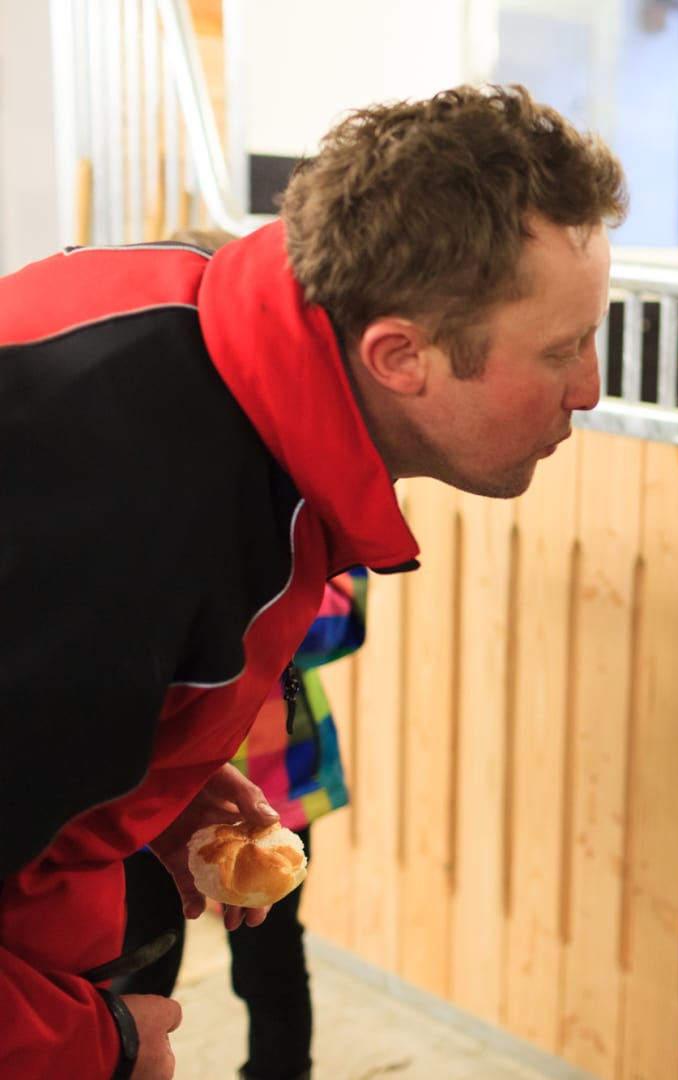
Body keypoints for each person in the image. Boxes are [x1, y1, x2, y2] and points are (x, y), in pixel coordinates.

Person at [0, 84, 627, 1079]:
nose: (589, 388)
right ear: (399, 356)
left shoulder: (192, 340)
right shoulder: (135, 522)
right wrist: (93, 1047)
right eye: (563, 349)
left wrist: (145, 777)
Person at [116, 568, 366, 1080]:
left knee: (270, 963)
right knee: (134, 969)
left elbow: (341, 621)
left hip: (273, 785)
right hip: (142, 786)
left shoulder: (301, 519)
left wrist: (229, 609)